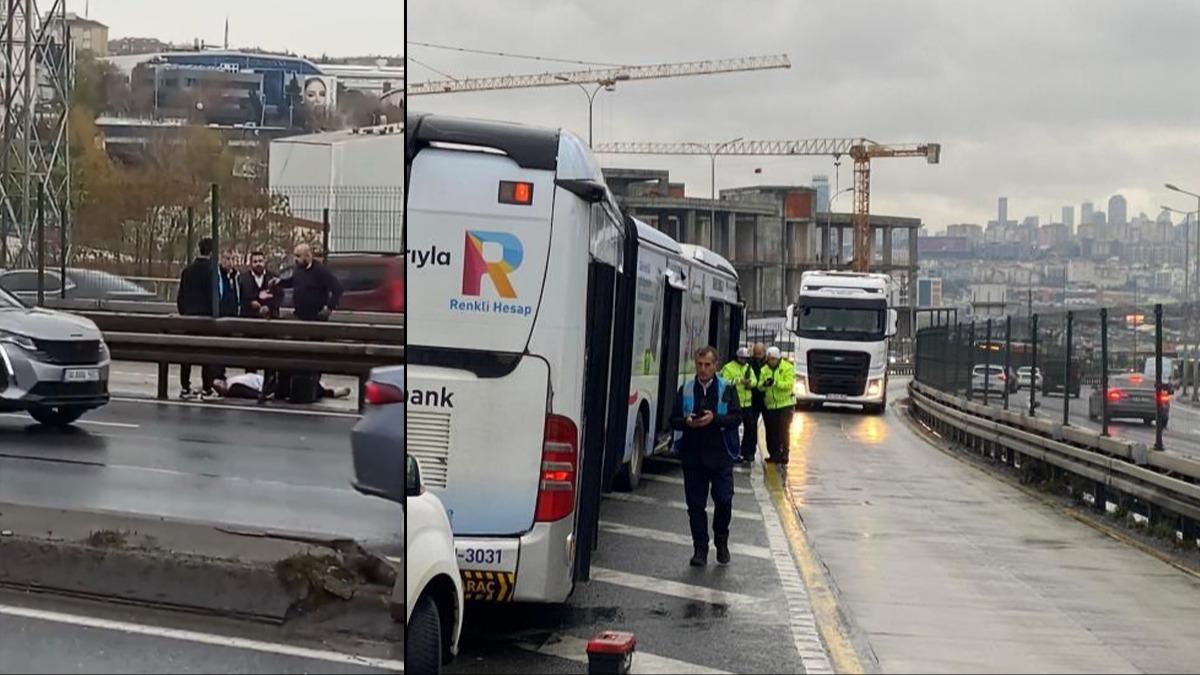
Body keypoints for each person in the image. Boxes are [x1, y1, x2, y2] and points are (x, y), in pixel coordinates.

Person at [671, 346, 742, 567]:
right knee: (695, 505)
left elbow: (736, 418)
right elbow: (673, 420)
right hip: (693, 456)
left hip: (721, 456)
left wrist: (715, 419)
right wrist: (688, 422)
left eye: (707, 365)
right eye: (699, 365)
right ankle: (700, 548)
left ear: (715, 366)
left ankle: (721, 539)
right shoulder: (686, 389)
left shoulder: (727, 389)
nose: (703, 369)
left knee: (724, 500)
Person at [272, 244, 343, 402]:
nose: (296, 260)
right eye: (295, 256)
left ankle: (313, 385)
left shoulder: (320, 271)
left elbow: (337, 288)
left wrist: (329, 307)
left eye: (298, 256)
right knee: (299, 352)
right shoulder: (299, 271)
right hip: (300, 318)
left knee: (315, 354)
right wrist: (280, 282)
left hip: (316, 319)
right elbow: (293, 282)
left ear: (307, 256)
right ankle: (297, 386)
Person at [175, 237, 215, 400]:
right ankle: (207, 387)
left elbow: (181, 295)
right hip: (205, 317)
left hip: (188, 316)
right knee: (206, 353)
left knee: (187, 353)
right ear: (212, 252)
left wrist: (184, 312)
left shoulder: (188, 270)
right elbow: (213, 296)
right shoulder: (212, 271)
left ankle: (185, 387)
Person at [719, 346, 758, 464]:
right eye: (742, 358)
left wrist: (750, 383)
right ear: (737, 357)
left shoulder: (748, 368)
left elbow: (755, 381)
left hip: (747, 403)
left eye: (746, 359)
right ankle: (732, 452)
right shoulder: (729, 367)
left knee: (751, 428)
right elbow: (724, 382)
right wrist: (739, 381)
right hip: (735, 404)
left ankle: (748, 453)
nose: (744, 361)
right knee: (732, 429)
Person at [758, 346, 797, 464]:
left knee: (784, 430)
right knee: (772, 431)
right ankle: (774, 454)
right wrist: (765, 384)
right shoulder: (764, 369)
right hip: (771, 405)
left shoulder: (787, 367)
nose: (772, 361)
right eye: (770, 359)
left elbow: (789, 384)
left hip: (785, 404)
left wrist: (775, 383)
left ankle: (784, 453)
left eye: (774, 359)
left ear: (778, 358)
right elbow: (759, 386)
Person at [211, 372, 351, 401]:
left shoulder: (231, 379)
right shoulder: (233, 387)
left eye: (217, 382)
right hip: (268, 387)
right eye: (218, 387)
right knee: (293, 383)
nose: (219, 385)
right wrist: (262, 396)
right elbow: (247, 392)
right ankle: (328, 392)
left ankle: (326, 391)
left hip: (267, 381)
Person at [744, 342, 769, 462]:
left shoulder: (769, 364)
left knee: (770, 428)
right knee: (751, 427)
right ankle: (748, 452)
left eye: (759, 353)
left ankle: (772, 453)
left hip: (766, 399)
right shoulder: (749, 364)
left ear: (764, 352)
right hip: (753, 398)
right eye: (755, 353)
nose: (757, 356)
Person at [239, 251, 279, 319]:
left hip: (270, 319)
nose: (258, 264)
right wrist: (250, 303)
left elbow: (279, 296)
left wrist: (269, 307)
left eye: (260, 261)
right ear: (251, 263)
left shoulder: (273, 277)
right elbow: (240, 297)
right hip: (249, 319)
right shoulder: (242, 279)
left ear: (264, 262)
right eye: (255, 262)